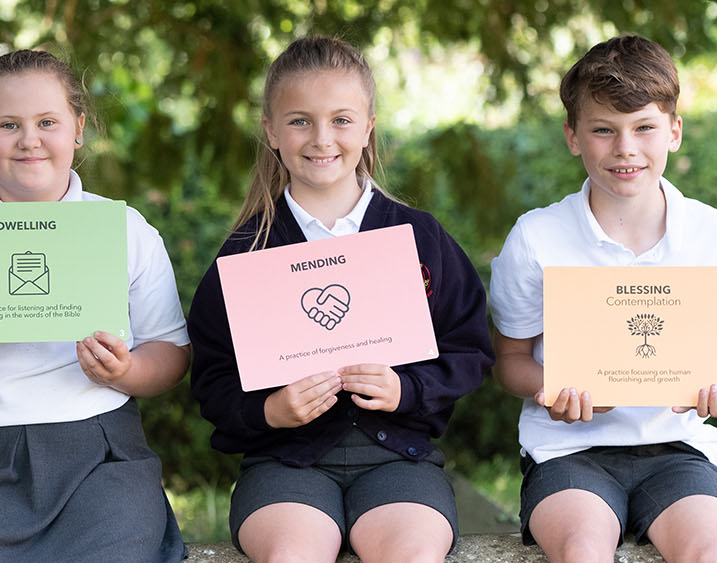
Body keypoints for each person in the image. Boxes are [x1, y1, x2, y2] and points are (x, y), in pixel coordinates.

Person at [187, 35, 493, 562]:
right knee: (292, 556)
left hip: (399, 458)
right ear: (271, 131)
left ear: (369, 126)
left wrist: (409, 389)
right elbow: (212, 378)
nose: (322, 138)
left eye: (342, 120)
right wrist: (269, 410)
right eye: (300, 120)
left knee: (412, 555)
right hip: (284, 463)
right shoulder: (246, 253)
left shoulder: (418, 238)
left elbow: (469, 348)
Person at [0, 49, 191, 562]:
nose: (30, 140)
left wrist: (127, 370)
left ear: (78, 128)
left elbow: (172, 352)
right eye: (8, 124)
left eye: (48, 121)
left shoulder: (125, 230)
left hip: (100, 456)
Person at [490, 35, 717, 562]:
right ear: (573, 136)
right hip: (569, 452)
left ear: (674, 131)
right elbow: (510, 363)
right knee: (581, 549)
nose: (625, 148)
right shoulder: (536, 236)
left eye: (644, 127)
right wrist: (557, 388)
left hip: (680, 452)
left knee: (710, 551)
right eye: (603, 130)